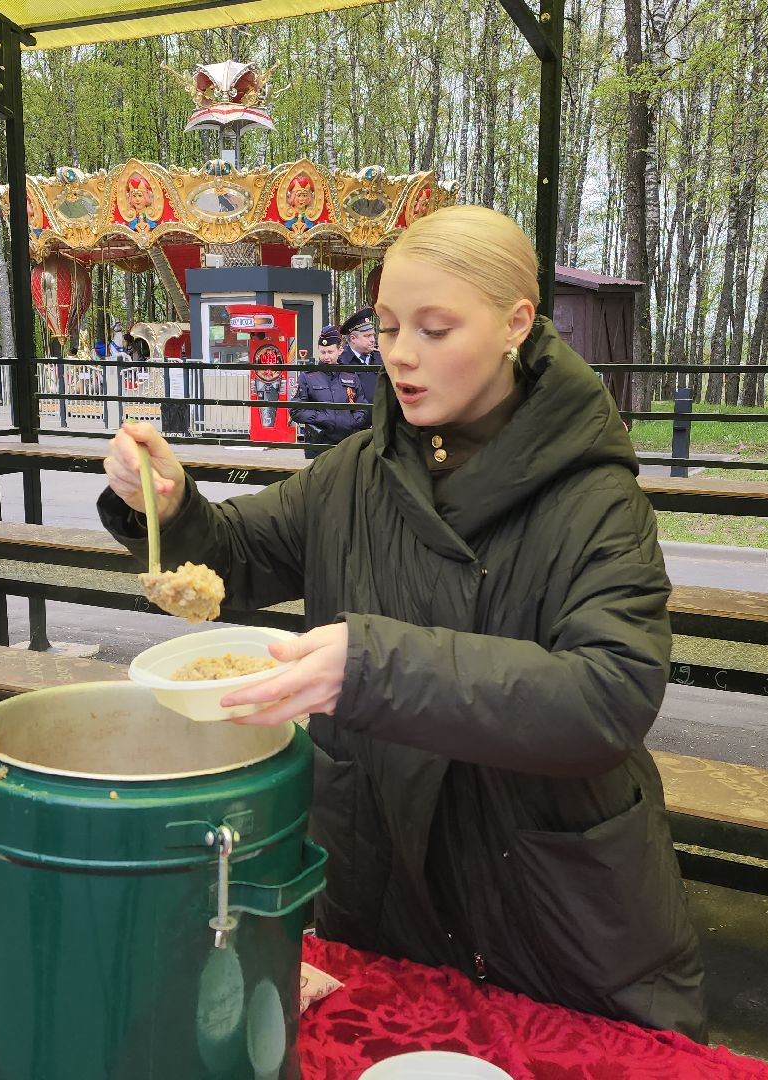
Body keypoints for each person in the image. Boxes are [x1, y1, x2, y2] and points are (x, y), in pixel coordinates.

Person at [98, 205, 705, 1039]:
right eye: (386, 326)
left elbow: (607, 699)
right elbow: (234, 558)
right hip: (381, 881)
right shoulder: (355, 472)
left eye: (435, 327)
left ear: (515, 324)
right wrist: (166, 506)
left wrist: (370, 667)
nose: (401, 355)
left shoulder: (595, 498)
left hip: (547, 905)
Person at [290, 309, 378, 457]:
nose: (326, 357)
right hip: (319, 443)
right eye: (322, 352)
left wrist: (351, 421)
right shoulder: (308, 376)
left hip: (347, 442)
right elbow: (296, 410)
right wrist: (325, 418)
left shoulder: (350, 375)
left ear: (340, 350)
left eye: (330, 352)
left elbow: (361, 406)